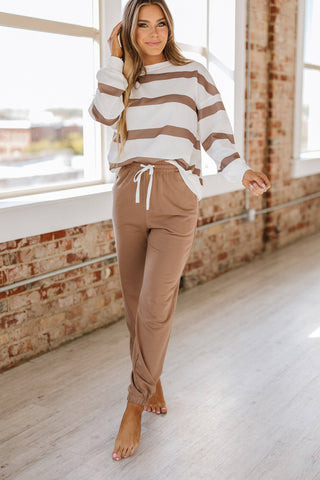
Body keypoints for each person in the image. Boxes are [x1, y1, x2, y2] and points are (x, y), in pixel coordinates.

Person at [88, 0, 271, 462]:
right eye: (143, 25)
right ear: (129, 31)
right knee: (134, 303)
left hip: (175, 195)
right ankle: (152, 376)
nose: (153, 33)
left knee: (155, 303)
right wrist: (115, 59)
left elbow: (216, 133)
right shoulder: (123, 77)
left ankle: (133, 404)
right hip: (129, 190)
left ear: (171, 26)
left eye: (161, 23)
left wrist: (241, 171)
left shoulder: (193, 74)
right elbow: (103, 116)